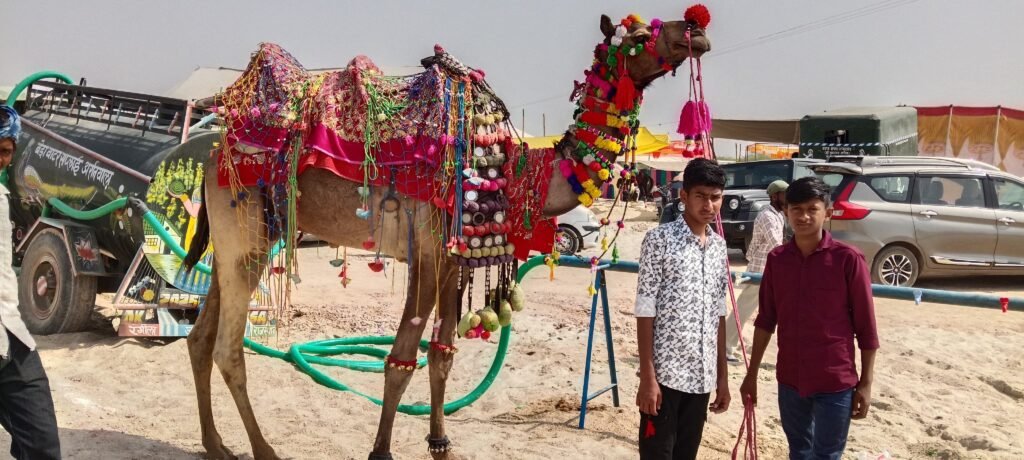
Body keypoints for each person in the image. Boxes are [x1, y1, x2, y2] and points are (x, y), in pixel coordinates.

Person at [739, 177, 879, 460]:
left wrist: (865, 383)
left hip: (835, 380)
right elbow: (766, 320)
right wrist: (751, 375)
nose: (803, 217)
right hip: (790, 379)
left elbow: (866, 326)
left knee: (827, 455)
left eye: (812, 209)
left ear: (827, 212)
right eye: (796, 209)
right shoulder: (777, 260)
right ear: (786, 212)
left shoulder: (848, 259)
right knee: (799, 452)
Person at [634, 158, 730, 459]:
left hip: (701, 378)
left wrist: (722, 378)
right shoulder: (659, 240)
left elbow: (718, 314)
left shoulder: (719, 248)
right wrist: (648, 378)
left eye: (715, 197)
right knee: (657, 453)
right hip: (665, 377)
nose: (708, 205)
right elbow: (645, 310)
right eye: (701, 196)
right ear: (684, 196)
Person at [0, 104, 62, 460]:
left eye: (6, 151)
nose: (0, 159)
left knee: (42, 444)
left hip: (10, 336)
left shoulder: (1, 197)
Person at [725, 179, 788, 363]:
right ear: (775, 196)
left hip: (769, 270)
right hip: (760, 270)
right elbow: (775, 244)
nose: (788, 198)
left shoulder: (778, 215)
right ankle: (725, 347)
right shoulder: (767, 216)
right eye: (785, 195)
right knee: (744, 309)